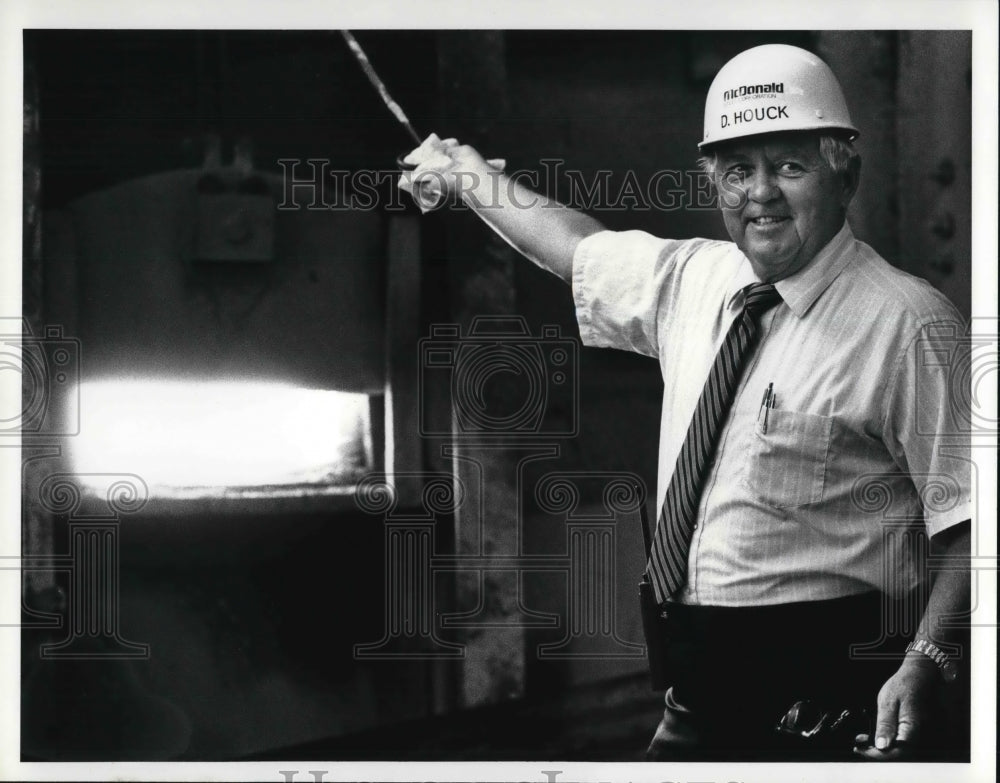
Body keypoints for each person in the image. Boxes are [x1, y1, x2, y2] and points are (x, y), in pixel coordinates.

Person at [398, 43, 971, 761]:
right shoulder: (694, 281)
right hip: (696, 698)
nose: (759, 193)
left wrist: (927, 661)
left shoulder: (909, 324)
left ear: (844, 168)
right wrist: (471, 177)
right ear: (712, 179)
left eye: (789, 165)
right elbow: (577, 247)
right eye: (738, 170)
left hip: (838, 702)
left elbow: (972, 526)